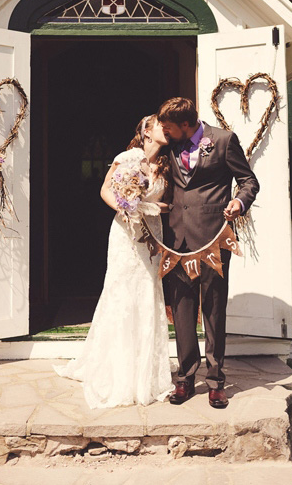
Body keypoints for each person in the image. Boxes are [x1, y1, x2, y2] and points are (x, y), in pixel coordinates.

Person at [55, 115, 174, 409]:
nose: (167, 129)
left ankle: (146, 375)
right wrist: (127, 206)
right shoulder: (128, 158)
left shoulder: (167, 165)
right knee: (121, 296)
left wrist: (158, 208)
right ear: (147, 131)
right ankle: (118, 373)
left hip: (152, 237)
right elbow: (106, 190)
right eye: (162, 125)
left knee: (147, 293)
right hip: (125, 235)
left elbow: (169, 203)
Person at [157, 97, 259, 408]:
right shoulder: (167, 144)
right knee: (182, 308)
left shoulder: (224, 141)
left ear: (186, 125)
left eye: (169, 127)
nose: (165, 131)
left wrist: (239, 202)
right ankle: (186, 378)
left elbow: (248, 181)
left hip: (214, 236)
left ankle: (216, 380)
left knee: (214, 308)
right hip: (176, 238)